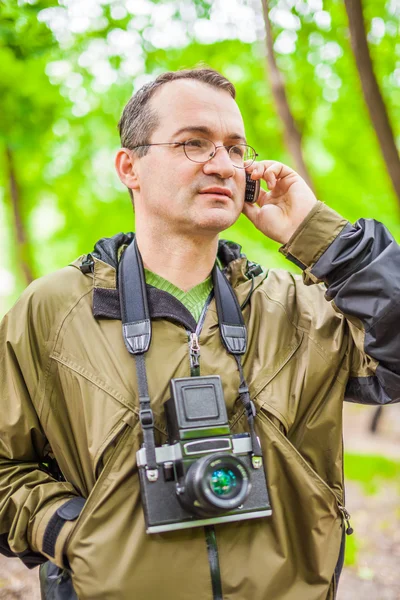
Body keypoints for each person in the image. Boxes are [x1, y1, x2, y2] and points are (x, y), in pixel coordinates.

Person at [0, 67, 399, 600]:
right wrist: (75, 532)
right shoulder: (53, 310)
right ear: (130, 167)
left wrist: (322, 237)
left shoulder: (300, 308)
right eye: (194, 144)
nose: (223, 164)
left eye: (236, 149)